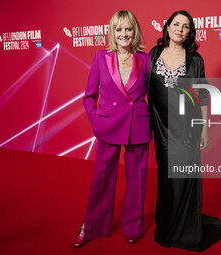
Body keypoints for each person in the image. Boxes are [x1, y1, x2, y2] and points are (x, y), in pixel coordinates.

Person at [148, 10, 221, 252]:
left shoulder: (195, 59)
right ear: (168, 27)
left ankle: (183, 227)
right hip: (162, 128)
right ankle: (168, 222)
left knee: (182, 177)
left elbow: (202, 95)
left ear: (189, 32)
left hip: (186, 128)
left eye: (185, 26)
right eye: (176, 24)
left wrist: (203, 127)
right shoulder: (154, 54)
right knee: (166, 177)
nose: (180, 29)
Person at [74, 10, 151, 248]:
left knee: (137, 180)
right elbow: (89, 96)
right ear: (112, 32)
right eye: (119, 29)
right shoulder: (101, 57)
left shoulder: (146, 59)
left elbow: (157, 96)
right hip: (107, 125)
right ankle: (92, 225)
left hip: (137, 124)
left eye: (128, 29)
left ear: (135, 31)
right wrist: (97, 121)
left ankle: (133, 226)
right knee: (102, 178)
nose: (123, 34)